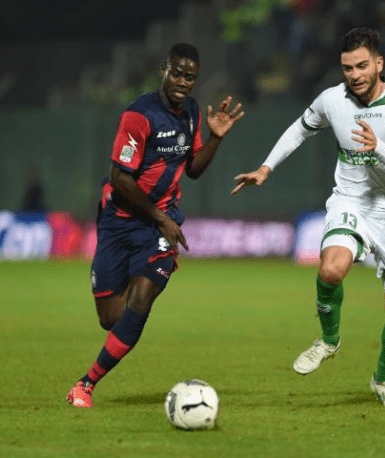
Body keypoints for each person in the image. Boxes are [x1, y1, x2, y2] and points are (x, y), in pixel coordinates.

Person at [232, 27, 385, 407]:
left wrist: (378, 147)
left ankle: (383, 380)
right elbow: (299, 130)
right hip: (351, 201)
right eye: (347, 68)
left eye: (362, 66)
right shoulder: (332, 100)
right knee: (330, 270)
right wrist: (266, 168)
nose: (354, 75)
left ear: (378, 63)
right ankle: (328, 339)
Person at [66, 43, 245, 408]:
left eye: (190, 77)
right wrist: (160, 217)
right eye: (177, 73)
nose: (183, 82)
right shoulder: (139, 116)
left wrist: (215, 138)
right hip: (119, 223)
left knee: (142, 300)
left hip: (160, 225)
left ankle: (86, 384)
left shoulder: (192, 112)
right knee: (111, 319)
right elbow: (120, 178)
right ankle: (128, 296)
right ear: (164, 71)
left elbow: (193, 169)